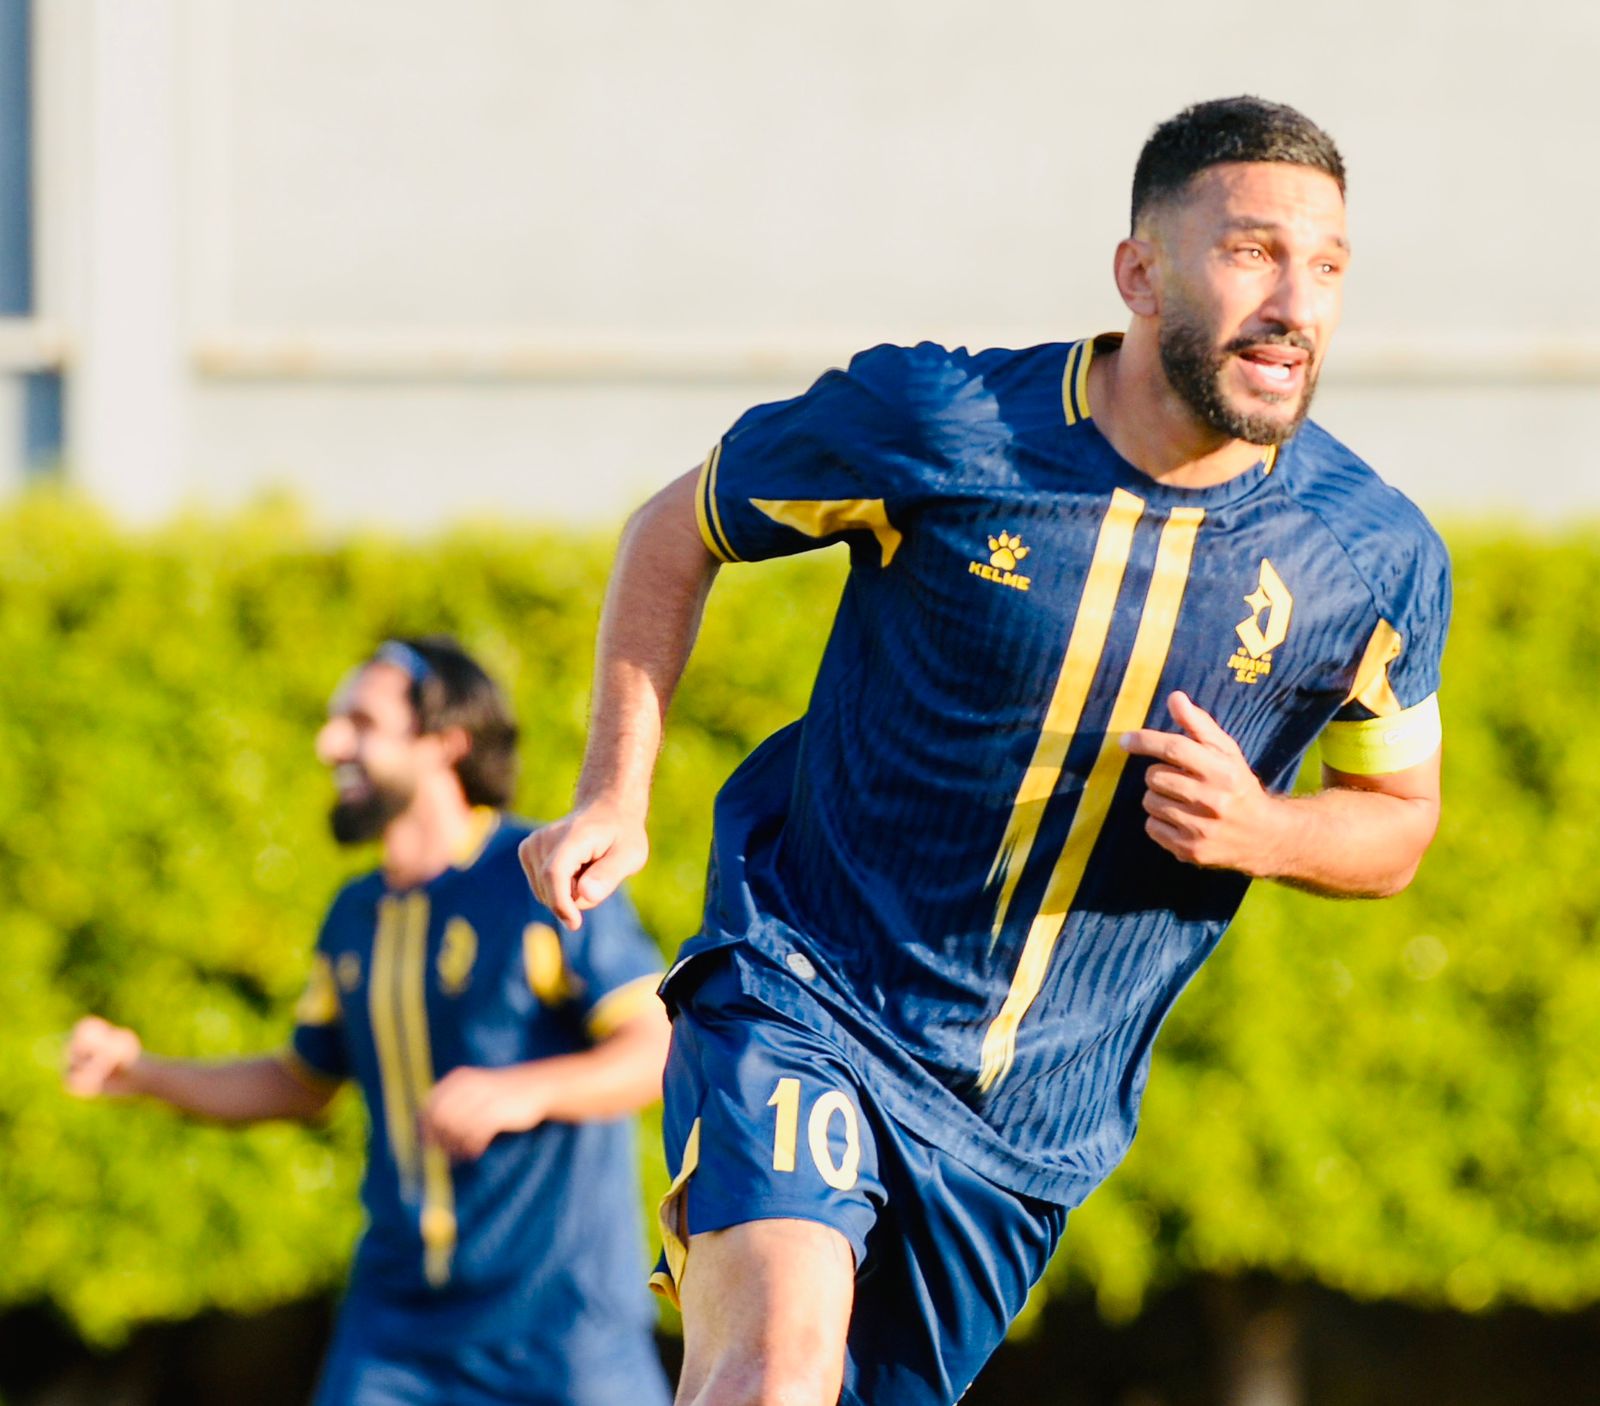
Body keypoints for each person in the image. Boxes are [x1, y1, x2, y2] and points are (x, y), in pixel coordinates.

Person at [523, 95, 1450, 1406]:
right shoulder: (939, 421)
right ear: (1140, 274)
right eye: (1251, 252)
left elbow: (1399, 819)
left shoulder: (1372, 557)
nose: (1294, 303)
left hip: (1027, 1131)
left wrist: (1266, 828)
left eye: (1329, 266)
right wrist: (615, 794)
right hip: (808, 989)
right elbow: (678, 528)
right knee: (775, 1368)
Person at [66, 637, 674, 1406]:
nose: (330, 743)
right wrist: (143, 1073)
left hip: (562, 1323)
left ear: (447, 742)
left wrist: (524, 1090)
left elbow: (658, 1047)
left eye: (361, 722)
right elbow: (301, 1081)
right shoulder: (353, 916)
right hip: (395, 1332)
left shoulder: (538, 876)